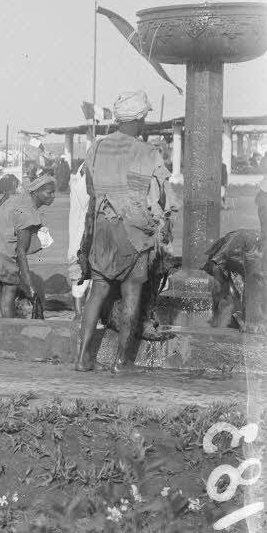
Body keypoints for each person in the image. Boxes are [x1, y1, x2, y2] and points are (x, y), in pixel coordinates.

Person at [75, 90, 172, 375]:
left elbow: (92, 191)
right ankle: (121, 362)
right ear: (140, 119)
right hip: (133, 231)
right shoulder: (147, 152)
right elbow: (159, 199)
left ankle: (82, 358)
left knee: (97, 291)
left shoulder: (96, 148)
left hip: (103, 228)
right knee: (131, 295)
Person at [0, 174, 56, 318]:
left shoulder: (17, 198)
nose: (53, 197)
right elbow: (21, 251)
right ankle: (9, 329)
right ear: (37, 192)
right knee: (10, 289)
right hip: (5, 251)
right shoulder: (27, 213)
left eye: (53, 193)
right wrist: (28, 280)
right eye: (49, 193)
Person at [67, 159, 92, 317]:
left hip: (82, 235)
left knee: (87, 276)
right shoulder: (81, 187)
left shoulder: (78, 184)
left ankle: (81, 312)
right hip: (81, 236)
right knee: (79, 273)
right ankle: (78, 312)